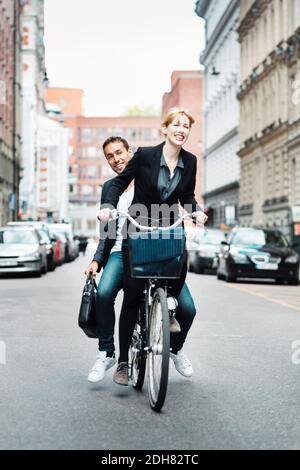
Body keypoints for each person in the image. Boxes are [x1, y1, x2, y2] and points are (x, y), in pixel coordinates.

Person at [98, 109, 208, 386]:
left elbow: (187, 196)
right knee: (132, 299)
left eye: (186, 126)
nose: (181, 129)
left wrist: (196, 212)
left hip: (170, 231)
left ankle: (174, 347)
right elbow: (119, 184)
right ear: (165, 129)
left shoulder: (191, 161)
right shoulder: (146, 155)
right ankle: (123, 362)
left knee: (188, 309)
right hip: (139, 233)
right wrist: (108, 207)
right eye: (177, 125)